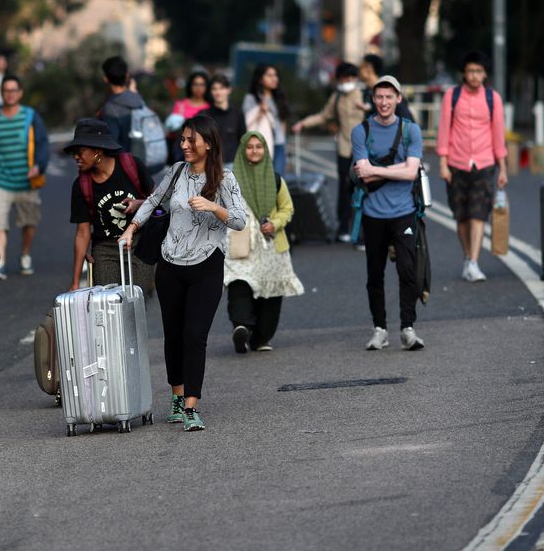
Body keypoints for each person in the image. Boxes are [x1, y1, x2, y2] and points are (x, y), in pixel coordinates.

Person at [120, 114, 246, 432]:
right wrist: (132, 229)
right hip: (170, 266)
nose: (185, 145)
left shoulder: (225, 179)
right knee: (173, 336)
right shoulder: (176, 171)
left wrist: (212, 206)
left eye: (191, 140)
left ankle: (191, 405)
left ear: (208, 143)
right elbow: (152, 201)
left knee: (195, 336)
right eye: (183, 139)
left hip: (206, 265)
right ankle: (176, 397)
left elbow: (240, 220)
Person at [351, 76, 426, 351]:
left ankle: (408, 327)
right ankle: (379, 329)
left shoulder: (411, 130)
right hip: (373, 213)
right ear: (373, 99)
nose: (384, 102)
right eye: (379, 97)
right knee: (375, 273)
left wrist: (377, 170)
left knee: (408, 270)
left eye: (389, 97)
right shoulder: (361, 131)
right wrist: (397, 170)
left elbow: (411, 172)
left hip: (404, 211)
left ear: (399, 99)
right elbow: (362, 173)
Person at [224, 131, 304, 353]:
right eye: (249, 147)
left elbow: (287, 208)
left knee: (270, 291)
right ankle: (242, 327)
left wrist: (275, 223)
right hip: (241, 243)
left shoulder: (276, 179)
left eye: (259, 146)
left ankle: (261, 337)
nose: (254, 151)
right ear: (242, 150)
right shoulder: (230, 180)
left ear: (265, 150)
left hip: (270, 244)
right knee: (239, 282)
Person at [436, 51, 508, 282]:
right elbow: (444, 129)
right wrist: (443, 163)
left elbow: (498, 134)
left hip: (485, 164)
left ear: (485, 73)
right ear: (464, 73)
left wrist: (503, 167)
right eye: (470, 71)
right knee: (461, 216)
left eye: (478, 71)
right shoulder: (452, 96)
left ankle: (474, 262)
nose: (474, 76)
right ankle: (467, 257)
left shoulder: (492, 98)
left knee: (478, 214)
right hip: (456, 163)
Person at [65, 118, 155, 295]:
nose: (76, 157)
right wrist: (75, 282)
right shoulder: (81, 184)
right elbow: (82, 232)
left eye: (80, 151)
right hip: (104, 249)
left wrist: (139, 203)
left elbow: (159, 199)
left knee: (137, 300)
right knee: (106, 303)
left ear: (98, 151)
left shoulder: (132, 166)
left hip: (139, 244)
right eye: (73, 152)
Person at [0, 75, 48, 280]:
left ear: (20, 93)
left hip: (27, 181)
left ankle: (25, 254)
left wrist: (38, 166)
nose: (10, 94)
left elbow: (42, 143)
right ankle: (1, 263)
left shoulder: (31, 116)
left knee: (29, 222)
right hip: (0, 180)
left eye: (14, 90)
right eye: (6, 90)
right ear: (2, 93)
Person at [292, 62, 367, 242]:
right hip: (344, 147)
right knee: (344, 187)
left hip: (364, 148)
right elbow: (323, 116)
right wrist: (303, 123)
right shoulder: (337, 97)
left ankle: (363, 228)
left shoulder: (364, 95)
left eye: (351, 78)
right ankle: (343, 226)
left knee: (365, 187)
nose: (348, 82)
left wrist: (367, 108)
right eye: (344, 78)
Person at [98, 55, 156, 168]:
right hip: (143, 163)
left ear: (105, 78)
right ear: (127, 75)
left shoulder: (110, 108)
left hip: (124, 169)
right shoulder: (139, 100)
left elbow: (112, 145)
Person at [243, 64, 290, 175]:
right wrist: (260, 111)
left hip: (279, 144)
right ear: (260, 79)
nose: (274, 78)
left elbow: (282, 122)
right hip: (259, 146)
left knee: (278, 179)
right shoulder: (251, 98)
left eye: (275, 75)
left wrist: (285, 149)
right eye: (269, 75)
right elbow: (245, 122)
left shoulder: (279, 98)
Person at [205, 74, 246, 165]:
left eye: (221, 88)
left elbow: (243, 141)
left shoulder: (238, 114)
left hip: (232, 163)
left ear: (229, 90)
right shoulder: (204, 115)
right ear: (210, 91)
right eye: (214, 89)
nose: (218, 92)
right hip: (209, 163)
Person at [360, 54, 415, 122]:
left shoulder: (389, 90)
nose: (359, 70)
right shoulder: (367, 91)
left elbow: (406, 117)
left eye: (362, 67)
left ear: (369, 68)